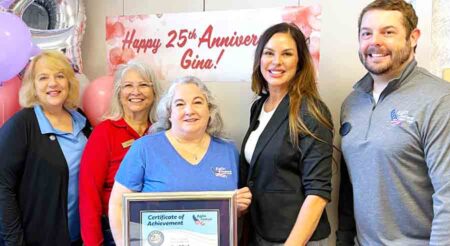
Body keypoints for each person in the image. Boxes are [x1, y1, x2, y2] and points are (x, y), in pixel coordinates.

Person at [337, 0, 450, 245]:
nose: (375, 41)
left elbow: (448, 195)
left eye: (388, 32)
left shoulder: (440, 99)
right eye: (367, 33)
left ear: (413, 37)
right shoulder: (352, 103)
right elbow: (348, 188)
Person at [108, 76, 252, 245]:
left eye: (197, 102)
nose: (189, 110)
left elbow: (231, 211)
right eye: (180, 104)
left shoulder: (228, 151)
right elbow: (117, 205)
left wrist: (240, 206)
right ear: (169, 113)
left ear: (209, 110)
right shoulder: (144, 148)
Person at [239, 22, 334, 246]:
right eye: (269, 53)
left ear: (300, 61)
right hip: (261, 233)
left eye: (287, 54)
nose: (276, 61)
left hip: (297, 239)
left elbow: (318, 193)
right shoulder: (259, 107)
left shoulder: (310, 111)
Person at [0, 50, 91, 245]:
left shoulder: (82, 120)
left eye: (60, 76)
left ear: (69, 82)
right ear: (32, 85)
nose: (53, 83)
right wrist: (14, 241)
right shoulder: (21, 125)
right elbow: (2, 188)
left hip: (79, 237)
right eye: (43, 78)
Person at [78, 60, 161, 246]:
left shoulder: (163, 133)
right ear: (118, 92)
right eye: (128, 85)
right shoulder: (104, 133)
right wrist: (93, 243)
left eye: (143, 85)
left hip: (159, 229)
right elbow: (89, 194)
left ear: (154, 92)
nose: (136, 91)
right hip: (115, 231)